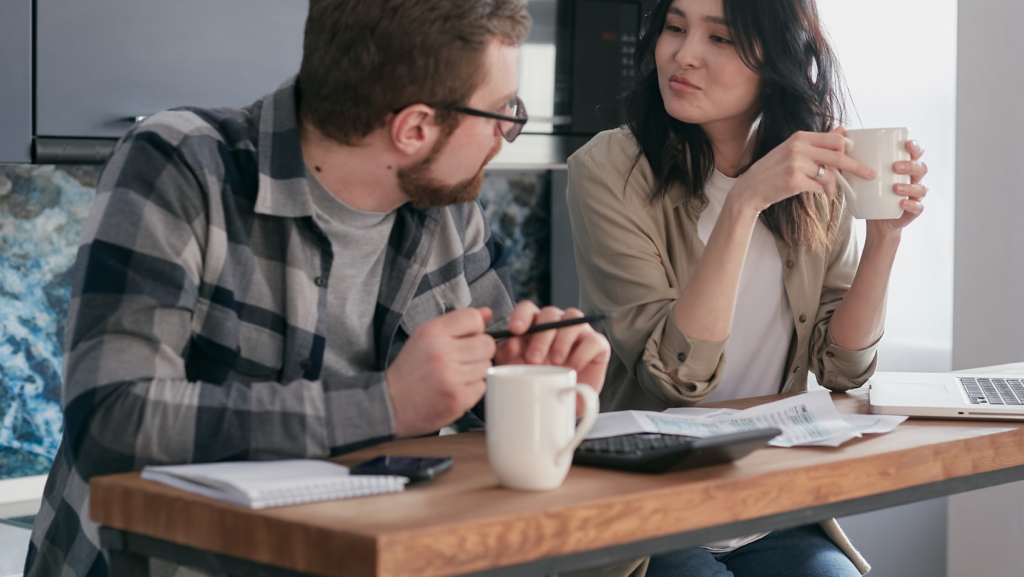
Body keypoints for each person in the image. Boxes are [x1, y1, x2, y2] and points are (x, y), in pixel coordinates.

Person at [24, 1, 613, 576]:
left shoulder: (449, 209)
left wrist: (535, 380)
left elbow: (484, 393)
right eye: (502, 110)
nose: (508, 131)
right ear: (414, 128)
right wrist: (385, 405)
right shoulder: (183, 166)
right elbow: (111, 419)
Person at [566, 0, 928, 575]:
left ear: (777, 61)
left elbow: (842, 369)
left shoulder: (815, 177)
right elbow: (676, 376)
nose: (683, 56)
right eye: (675, 28)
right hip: (651, 513)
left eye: (721, 39)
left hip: (770, 501)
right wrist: (742, 204)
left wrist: (883, 240)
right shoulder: (608, 170)